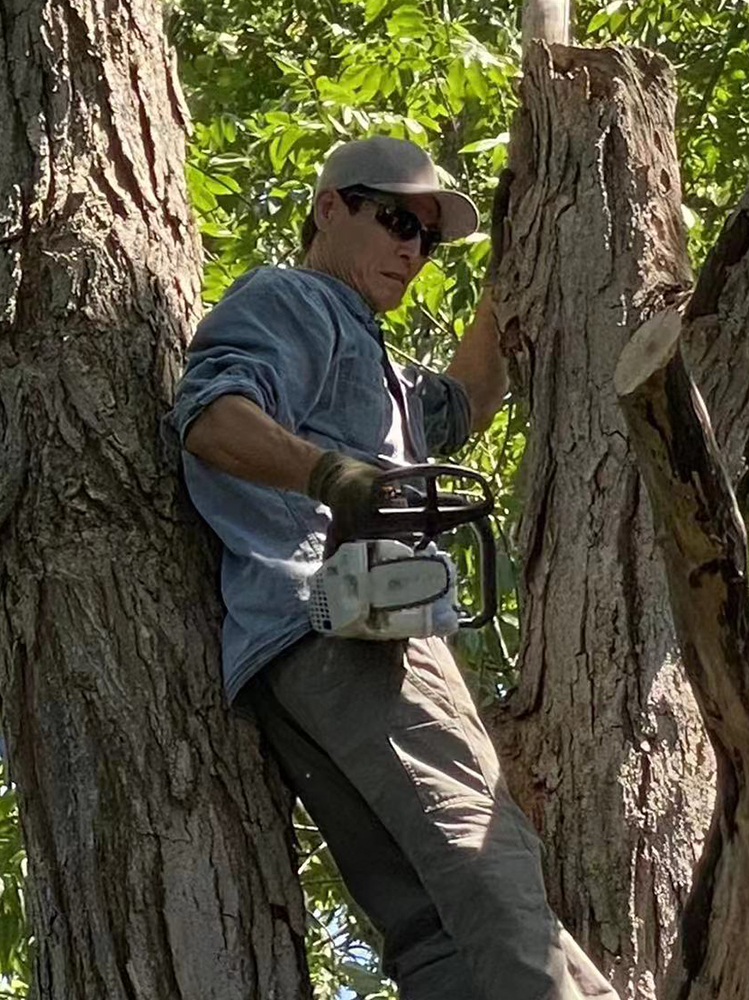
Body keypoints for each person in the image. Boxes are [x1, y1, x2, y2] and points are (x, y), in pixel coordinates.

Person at [166, 135, 619, 1000]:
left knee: (433, 928)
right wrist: (334, 478)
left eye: (429, 237)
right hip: (348, 631)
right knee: (491, 867)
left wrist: (502, 283)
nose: (413, 247)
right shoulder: (295, 300)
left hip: (292, 656)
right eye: (396, 219)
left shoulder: (375, 360)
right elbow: (211, 416)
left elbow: (465, 404)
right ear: (330, 208)